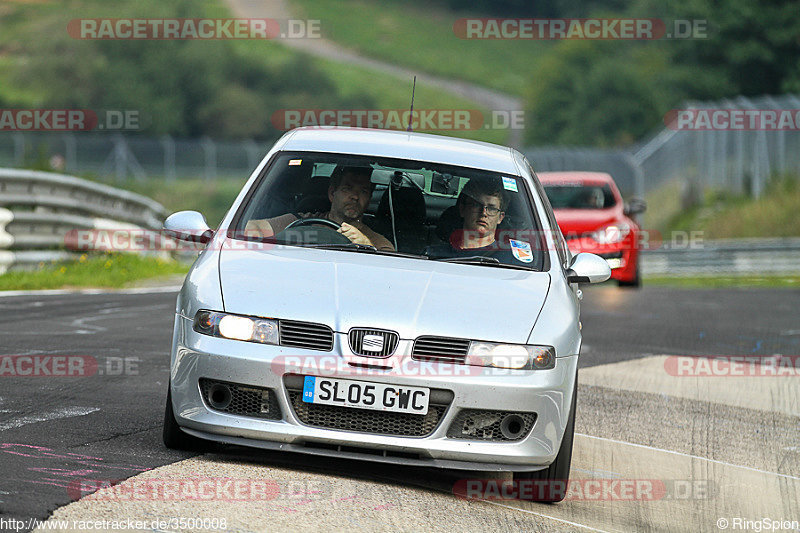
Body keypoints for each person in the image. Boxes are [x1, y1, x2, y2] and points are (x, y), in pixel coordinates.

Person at [245, 165, 394, 251]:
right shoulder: (302, 221)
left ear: (369, 200)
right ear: (331, 193)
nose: (355, 197)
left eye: (363, 191)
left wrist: (367, 246)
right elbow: (252, 227)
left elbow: (389, 261)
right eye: (347, 189)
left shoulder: (372, 238)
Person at [425, 178, 526, 264]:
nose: (483, 213)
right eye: (476, 205)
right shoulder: (431, 255)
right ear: (462, 209)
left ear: (500, 217)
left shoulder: (512, 259)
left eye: (491, 208)